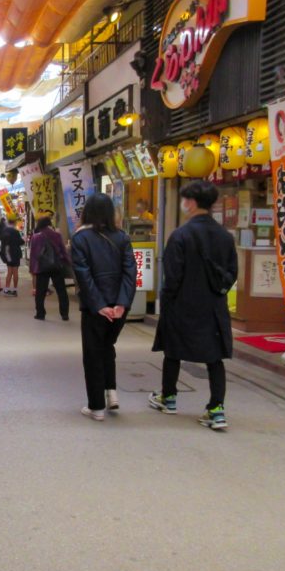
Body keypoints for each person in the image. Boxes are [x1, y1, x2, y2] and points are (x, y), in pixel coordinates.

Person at [149, 180, 238, 431]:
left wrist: (166, 303)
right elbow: (232, 271)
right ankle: (216, 408)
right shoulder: (224, 236)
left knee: (173, 352)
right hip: (213, 306)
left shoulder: (180, 235)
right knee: (214, 358)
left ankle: (169, 398)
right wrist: (218, 292)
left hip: (182, 304)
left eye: (185, 199)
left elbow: (172, 276)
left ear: (191, 202)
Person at [72, 194, 137, 422]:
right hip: (119, 307)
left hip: (94, 308)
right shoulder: (122, 237)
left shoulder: (80, 239)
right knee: (107, 347)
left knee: (93, 353)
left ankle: (96, 406)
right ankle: (111, 392)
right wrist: (120, 303)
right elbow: (130, 273)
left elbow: (83, 275)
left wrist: (99, 305)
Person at [29, 216, 71, 321]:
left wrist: (33, 269)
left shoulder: (35, 237)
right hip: (56, 266)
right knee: (61, 291)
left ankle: (40, 313)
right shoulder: (57, 235)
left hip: (42, 267)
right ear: (49, 223)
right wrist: (67, 262)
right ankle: (64, 314)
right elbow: (63, 250)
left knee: (40, 292)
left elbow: (33, 254)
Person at [0, 218, 25, 296]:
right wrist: (23, 239)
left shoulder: (4, 231)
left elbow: (2, 244)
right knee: (15, 271)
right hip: (15, 253)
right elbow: (20, 242)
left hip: (7, 254)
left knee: (9, 272)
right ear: (14, 223)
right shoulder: (15, 232)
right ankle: (15, 289)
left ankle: (6, 289)